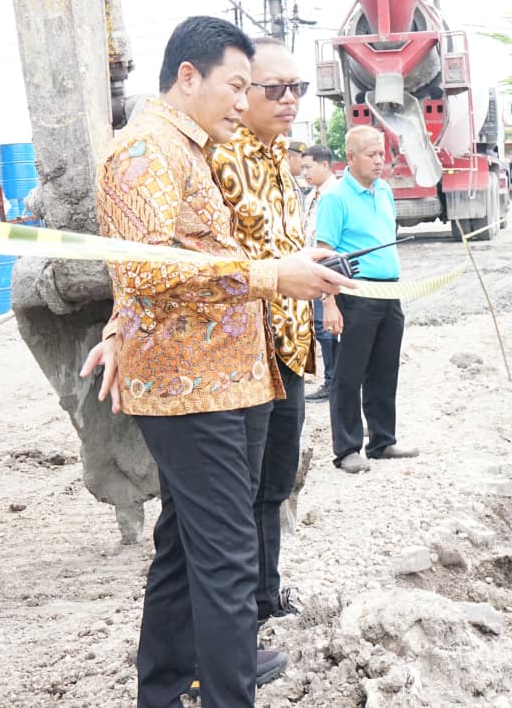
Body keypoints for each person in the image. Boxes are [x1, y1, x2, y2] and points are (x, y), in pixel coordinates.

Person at [91, 16, 351, 708]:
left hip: (223, 378)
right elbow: (144, 271)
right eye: (237, 85)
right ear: (187, 76)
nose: (244, 99)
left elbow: (172, 262)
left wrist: (286, 267)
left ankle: (165, 689)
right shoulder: (145, 153)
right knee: (229, 557)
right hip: (188, 388)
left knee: (184, 547)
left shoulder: (191, 148)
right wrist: (270, 277)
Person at [206, 39, 315, 631]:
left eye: (296, 88)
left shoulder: (280, 158)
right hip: (243, 355)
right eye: (275, 89)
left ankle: (266, 594)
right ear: (242, 93)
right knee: (238, 495)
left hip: (289, 344)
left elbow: (281, 248)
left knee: (274, 484)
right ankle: (238, 616)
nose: (290, 100)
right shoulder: (220, 159)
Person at [317, 125, 419, 473]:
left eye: (382, 154)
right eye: (372, 155)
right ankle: (347, 448)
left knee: (385, 368)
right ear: (351, 157)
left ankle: (382, 441)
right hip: (355, 295)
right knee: (349, 373)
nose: (380, 161)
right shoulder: (334, 197)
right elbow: (324, 255)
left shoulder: (384, 191)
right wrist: (329, 303)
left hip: (390, 292)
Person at [301, 144, 339, 403]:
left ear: (324, 165)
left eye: (308, 167)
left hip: (328, 269)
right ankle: (331, 380)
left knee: (329, 329)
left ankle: (333, 381)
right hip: (311, 267)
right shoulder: (311, 195)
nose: (304, 172)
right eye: (302, 167)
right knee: (320, 328)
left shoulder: (335, 194)